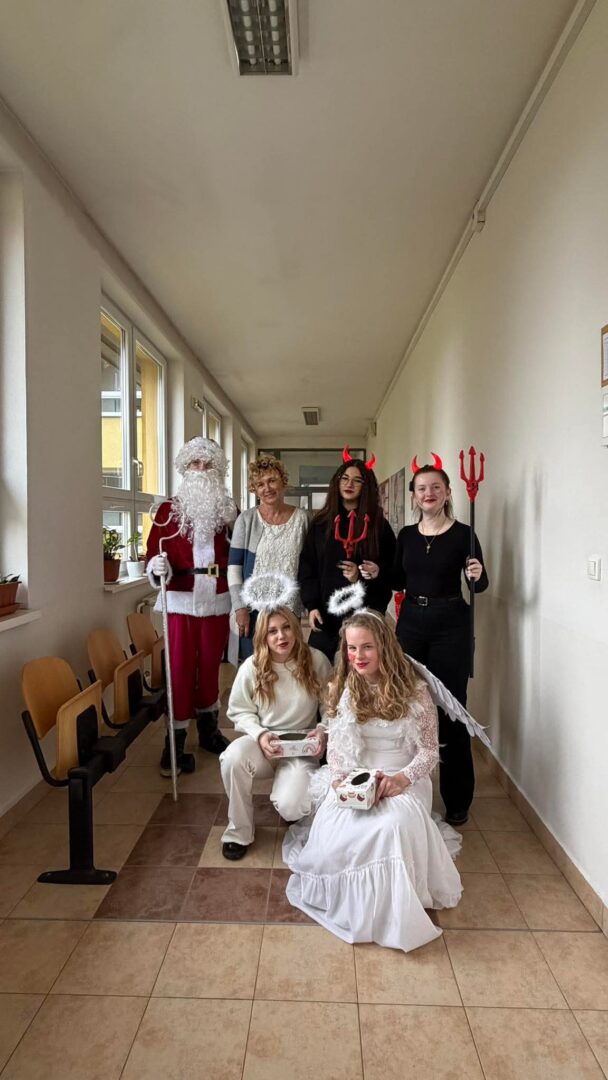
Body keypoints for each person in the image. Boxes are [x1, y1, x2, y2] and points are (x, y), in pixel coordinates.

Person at [283, 610, 462, 952]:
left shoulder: (416, 691)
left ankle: (389, 911)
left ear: (385, 647)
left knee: (390, 828)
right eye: (351, 648)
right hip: (358, 775)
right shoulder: (342, 687)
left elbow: (428, 752)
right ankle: (353, 901)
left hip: (403, 777)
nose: (358, 656)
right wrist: (344, 783)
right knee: (339, 825)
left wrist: (401, 779)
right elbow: (337, 749)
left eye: (367, 647)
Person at [392, 461, 488, 826]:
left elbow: (480, 585)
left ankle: (457, 797)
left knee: (452, 709)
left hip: (451, 625)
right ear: (414, 496)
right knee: (406, 705)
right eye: (421, 488)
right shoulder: (406, 536)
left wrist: (477, 574)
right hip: (411, 623)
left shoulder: (464, 534)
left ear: (448, 493)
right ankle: (405, 791)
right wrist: (371, 572)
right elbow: (396, 580)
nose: (428, 493)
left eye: (435, 487)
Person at [146, 436, 237, 776]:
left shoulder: (228, 510)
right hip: (180, 601)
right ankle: (175, 742)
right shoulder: (167, 511)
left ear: (218, 469)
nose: (201, 469)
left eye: (208, 463)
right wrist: (156, 565)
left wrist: (233, 524)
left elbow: (239, 550)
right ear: (186, 468)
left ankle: (209, 730)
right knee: (180, 670)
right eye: (195, 463)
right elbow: (154, 550)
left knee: (211, 666)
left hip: (216, 600)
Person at [220, 606, 332, 860]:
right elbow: (238, 710)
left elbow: (331, 706)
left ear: (296, 629)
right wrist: (259, 734)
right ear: (263, 636)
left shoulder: (316, 660)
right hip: (264, 745)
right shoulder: (252, 666)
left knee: (293, 806)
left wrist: (322, 729)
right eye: (272, 631)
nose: (281, 636)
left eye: (286, 627)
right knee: (232, 758)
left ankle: (288, 795)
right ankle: (239, 831)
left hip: (301, 748)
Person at [298, 453, 396, 661]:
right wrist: (312, 605)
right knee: (319, 669)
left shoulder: (378, 525)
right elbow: (307, 567)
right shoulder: (321, 523)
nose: (349, 484)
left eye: (357, 480)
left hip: (364, 616)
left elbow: (393, 573)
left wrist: (362, 577)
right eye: (345, 478)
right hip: (326, 616)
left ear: (366, 486)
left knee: (360, 672)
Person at [228, 454, 309, 659]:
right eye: (260, 484)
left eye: (272, 480)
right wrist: (239, 608)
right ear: (255, 490)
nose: (267, 488)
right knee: (255, 666)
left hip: (289, 609)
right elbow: (234, 568)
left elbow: (311, 565)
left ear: (283, 481)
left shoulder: (303, 519)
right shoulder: (246, 520)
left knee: (288, 665)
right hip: (254, 611)